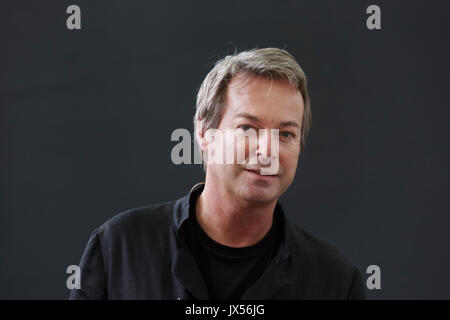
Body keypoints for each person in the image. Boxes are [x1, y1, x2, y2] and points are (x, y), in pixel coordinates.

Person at [69, 48, 366, 300]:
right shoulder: (117, 249)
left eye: (286, 134)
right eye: (247, 128)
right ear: (203, 133)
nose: (267, 151)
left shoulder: (336, 283)